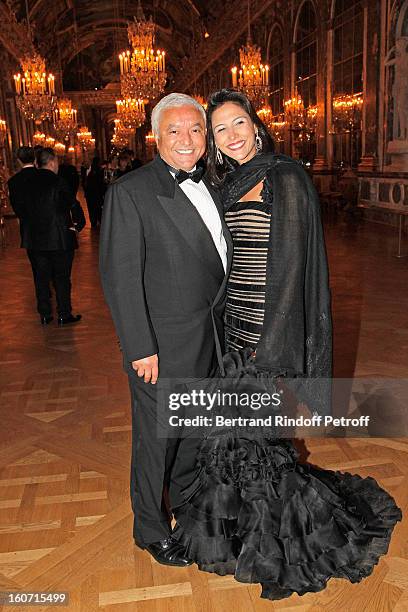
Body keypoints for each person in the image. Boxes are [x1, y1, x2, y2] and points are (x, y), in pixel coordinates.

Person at [171, 89, 402, 600]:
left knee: (253, 439)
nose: (229, 136)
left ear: (256, 125)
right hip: (233, 328)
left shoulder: (286, 177)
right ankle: (239, 531)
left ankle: (278, 539)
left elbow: (294, 270)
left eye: (237, 124)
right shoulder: (229, 183)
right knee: (233, 434)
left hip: (264, 335)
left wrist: (268, 344)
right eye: (219, 130)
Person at [99, 93, 232, 567]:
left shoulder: (218, 185)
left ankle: (190, 507)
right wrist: (140, 347)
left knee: (194, 434)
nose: (186, 139)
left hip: (212, 340)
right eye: (174, 130)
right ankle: (149, 528)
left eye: (196, 129)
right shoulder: (131, 191)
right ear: (155, 136)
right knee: (157, 441)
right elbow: (120, 275)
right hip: (161, 346)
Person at [11, 147, 85, 325]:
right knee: (61, 277)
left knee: (40, 278)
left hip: (34, 239)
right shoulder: (58, 181)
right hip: (59, 237)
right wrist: (78, 224)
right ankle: (63, 314)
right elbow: (73, 204)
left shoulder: (24, 182)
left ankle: (44, 314)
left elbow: (19, 209)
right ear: (52, 162)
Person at [8, 146, 38, 247]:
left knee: (35, 260)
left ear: (19, 161)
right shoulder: (44, 175)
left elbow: (15, 204)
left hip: (27, 227)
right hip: (49, 225)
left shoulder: (13, 181)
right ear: (34, 159)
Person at [84, 156, 106, 228]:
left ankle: (96, 222)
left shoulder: (96, 170)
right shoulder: (86, 169)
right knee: (93, 208)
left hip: (94, 193)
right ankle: (94, 222)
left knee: (95, 208)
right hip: (91, 194)